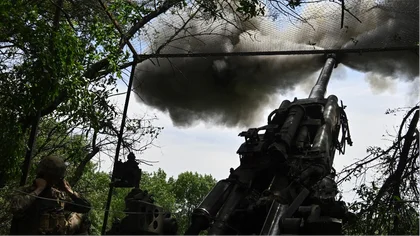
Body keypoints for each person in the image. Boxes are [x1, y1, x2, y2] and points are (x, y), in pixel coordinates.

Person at [9, 155, 92, 236]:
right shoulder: (26, 191)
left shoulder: (58, 196)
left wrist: (69, 191)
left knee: (83, 220)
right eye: (51, 177)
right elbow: (15, 208)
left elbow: (85, 207)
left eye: (58, 178)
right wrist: (39, 189)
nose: (54, 181)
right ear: (42, 175)